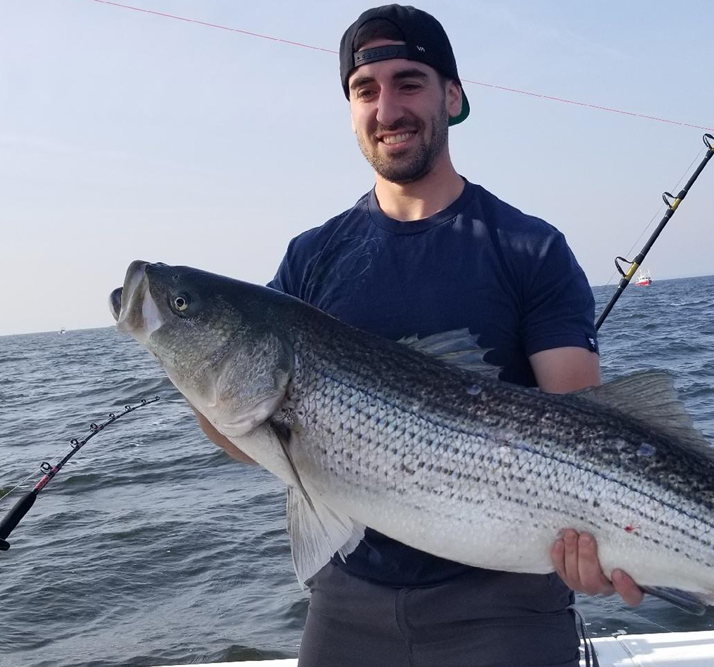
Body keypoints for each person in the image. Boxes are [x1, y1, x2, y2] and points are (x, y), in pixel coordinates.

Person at [193, 5, 642, 665]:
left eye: (409, 82)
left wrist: (598, 541)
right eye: (364, 90)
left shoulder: (528, 248)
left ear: (451, 96)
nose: (387, 107)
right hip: (348, 599)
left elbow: (586, 424)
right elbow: (247, 431)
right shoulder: (311, 258)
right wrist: (195, 362)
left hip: (506, 602)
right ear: (350, 110)